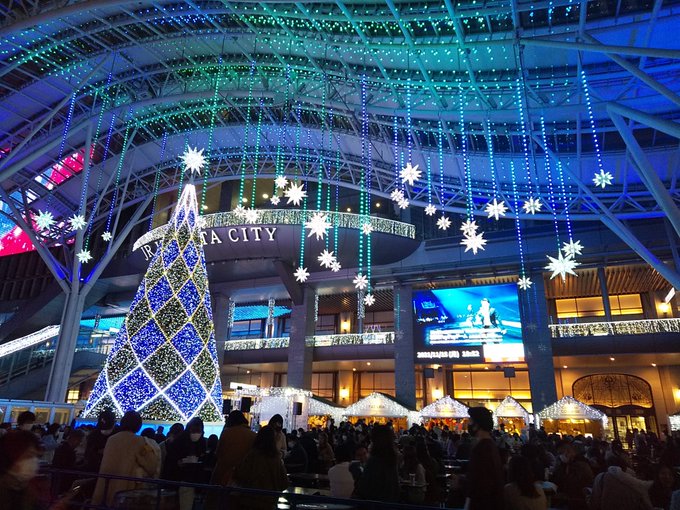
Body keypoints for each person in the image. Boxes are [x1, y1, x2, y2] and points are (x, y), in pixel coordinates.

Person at [92, 411, 161, 507]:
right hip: (125, 488)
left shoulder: (112, 439)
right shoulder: (140, 441)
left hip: (106, 485)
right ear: (138, 425)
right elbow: (151, 466)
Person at [206, 410, 256, 510]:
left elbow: (218, 453)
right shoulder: (253, 435)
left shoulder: (227, 433)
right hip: (243, 476)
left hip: (224, 474)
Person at [233, 425, 289, 510]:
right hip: (269, 502)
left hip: (249, 500)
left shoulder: (252, 455)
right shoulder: (276, 459)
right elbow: (284, 482)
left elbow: (240, 474)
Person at [463, 406, 504, 510]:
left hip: (482, 502)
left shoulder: (482, 448)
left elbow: (480, 481)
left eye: (471, 420)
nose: (468, 423)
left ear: (478, 424)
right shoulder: (490, 445)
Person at [165, 417, 208, 510]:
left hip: (193, 480)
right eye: (194, 430)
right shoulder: (180, 441)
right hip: (181, 479)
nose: (196, 433)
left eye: (198, 431)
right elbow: (171, 460)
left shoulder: (201, 442)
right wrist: (178, 462)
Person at [354, 424, 400, 503]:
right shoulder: (392, 459)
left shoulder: (374, 461)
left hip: (375, 503)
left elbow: (365, 488)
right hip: (389, 503)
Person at [51, 429, 85, 497]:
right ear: (74, 439)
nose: (79, 443)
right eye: (79, 441)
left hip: (57, 480)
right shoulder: (69, 451)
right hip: (64, 482)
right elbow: (69, 468)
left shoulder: (62, 448)